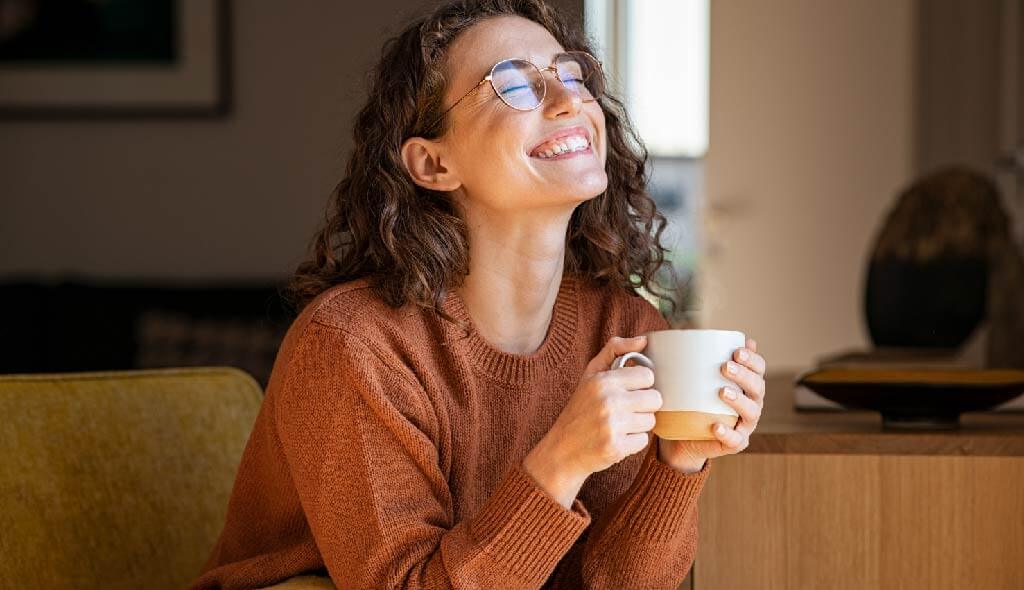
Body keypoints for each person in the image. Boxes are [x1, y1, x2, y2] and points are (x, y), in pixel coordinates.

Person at [192, 0, 767, 588]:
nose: (569, 99)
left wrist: (680, 460)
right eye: (513, 84)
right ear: (433, 163)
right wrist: (559, 461)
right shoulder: (352, 345)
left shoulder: (623, 325)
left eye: (572, 74)